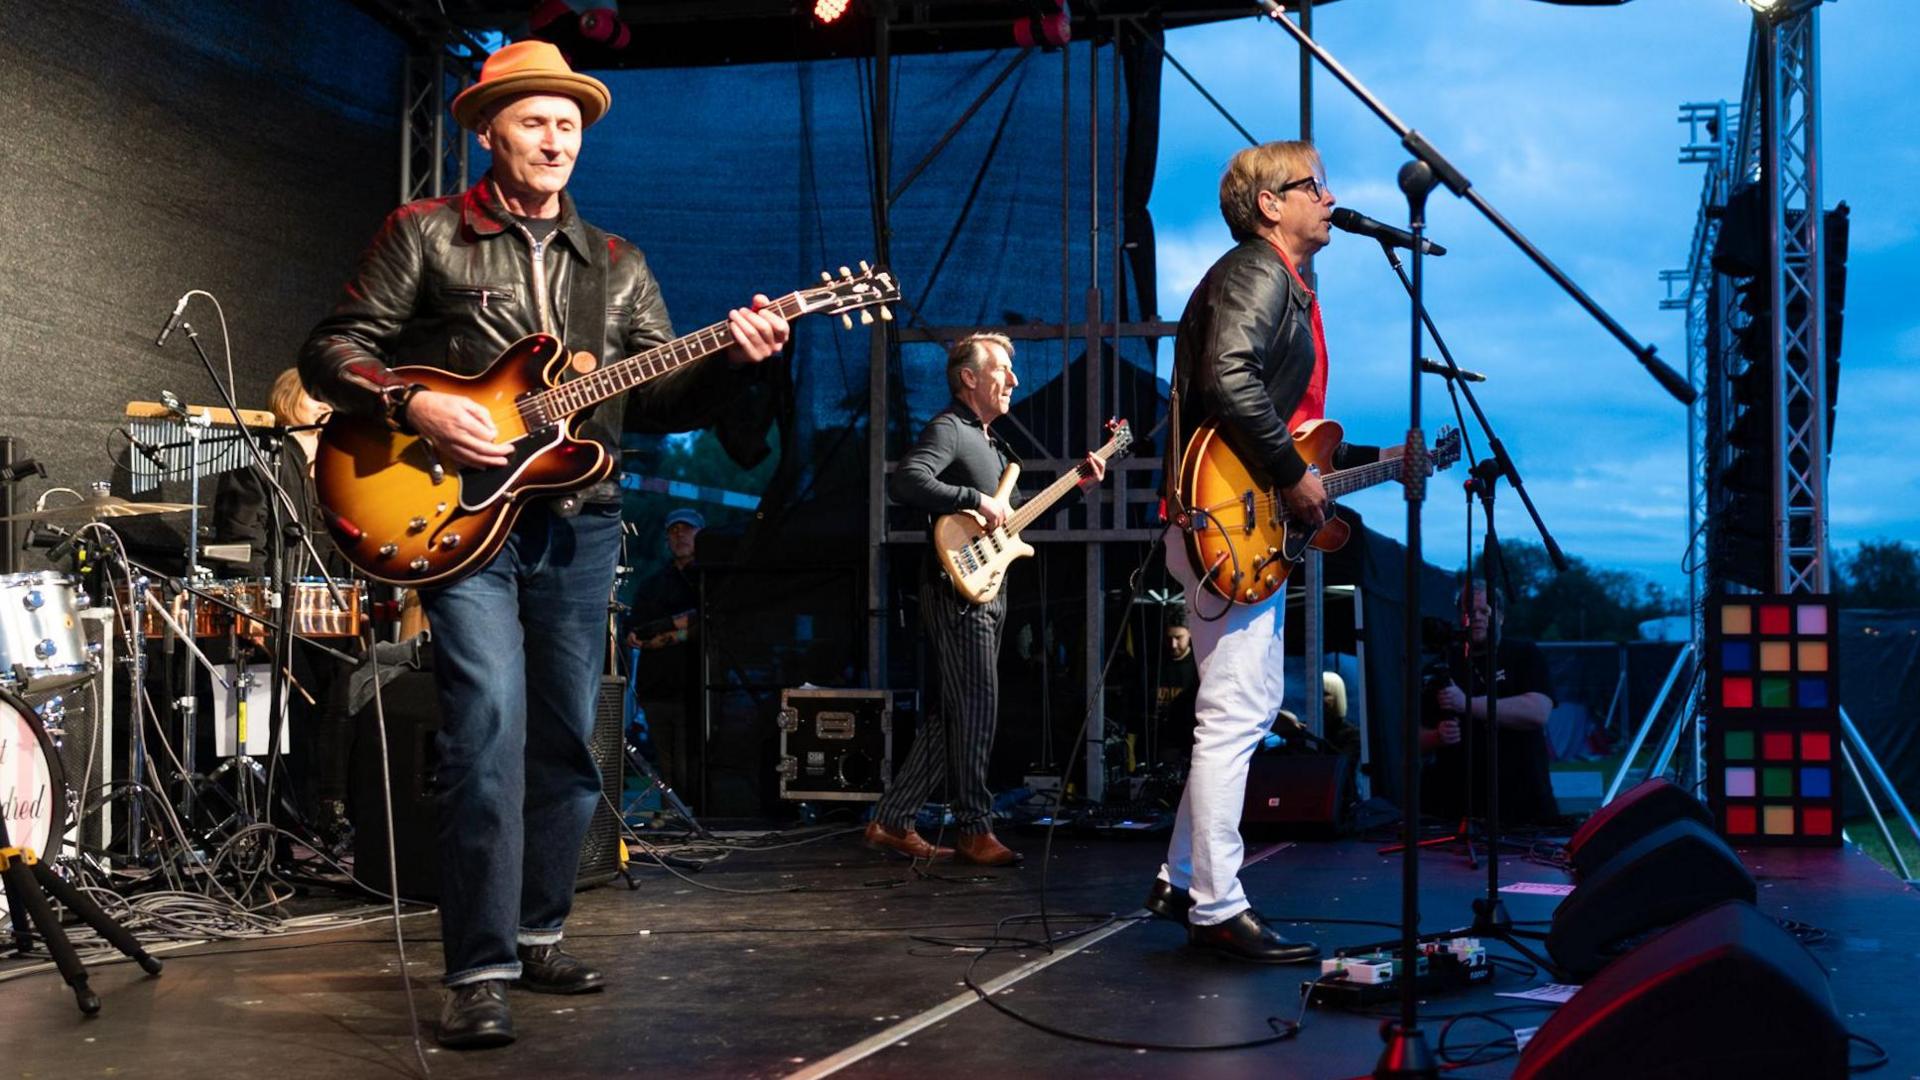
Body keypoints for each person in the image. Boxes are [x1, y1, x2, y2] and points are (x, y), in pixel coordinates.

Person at [298, 41, 789, 1050]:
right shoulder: (426, 234)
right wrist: (419, 400)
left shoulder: (615, 265)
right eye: (535, 120)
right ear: (489, 131)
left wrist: (735, 364)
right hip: (458, 523)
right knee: (486, 730)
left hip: (575, 520)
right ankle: (477, 968)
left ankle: (535, 933)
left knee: (569, 739)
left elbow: (653, 397)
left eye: (569, 124)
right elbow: (332, 348)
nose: (556, 137)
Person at [1146, 140, 1395, 963]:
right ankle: (1215, 906)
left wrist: (1314, 468)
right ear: (1268, 205)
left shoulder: (1284, 282)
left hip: (1232, 509)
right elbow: (1227, 376)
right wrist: (1291, 477)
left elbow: (1274, 411)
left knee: (1239, 708)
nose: (1330, 197)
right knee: (1236, 712)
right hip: (1227, 512)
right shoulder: (1258, 271)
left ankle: (1183, 878)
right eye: (1314, 185)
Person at [868, 333, 1103, 866]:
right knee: (977, 707)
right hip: (954, 589)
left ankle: (891, 820)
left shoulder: (996, 446)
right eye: (1002, 368)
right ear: (969, 377)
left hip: (986, 589)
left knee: (958, 712)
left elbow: (1015, 525)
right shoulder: (949, 428)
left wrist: (1080, 489)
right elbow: (907, 480)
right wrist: (972, 498)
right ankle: (975, 827)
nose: (1014, 380)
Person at [211, 368, 354, 849]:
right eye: (317, 396)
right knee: (287, 707)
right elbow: (239, 539)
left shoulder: (336, 465)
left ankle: (327, 812)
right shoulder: (258, 457)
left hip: (326, 610)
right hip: (273, 607)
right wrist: (253, 608)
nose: (326, 406)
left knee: (339, 699)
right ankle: (277, 817)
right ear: (290, 398)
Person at [1421, 582, 1559, 826]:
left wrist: (1467, 704)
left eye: (1484, 611)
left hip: (1523, 805)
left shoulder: (1524, 654)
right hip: (1457, 808)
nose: (1477, 618)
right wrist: (1436, 736)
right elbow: (1410, 737)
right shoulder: (1441, 664)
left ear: (1501, 617)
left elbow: (1537, 712)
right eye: (1469, 612)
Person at [626, 507, 704, 792]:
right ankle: (672, 815)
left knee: (688, 759)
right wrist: (675, 630)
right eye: (673, 530)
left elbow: (707, 622)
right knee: (664, 764)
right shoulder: (653, 584)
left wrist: (673, 633)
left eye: (687, 529)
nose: (679, 534)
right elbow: (635, 632)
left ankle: (693, 814)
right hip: (656, 687)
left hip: (693, 688)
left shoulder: (707, 580)